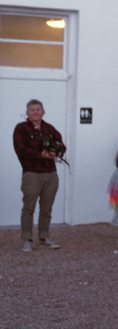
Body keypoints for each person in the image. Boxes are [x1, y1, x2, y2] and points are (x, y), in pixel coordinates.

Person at [13, 99, 65, 252]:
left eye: (38, 109)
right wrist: (43, 155)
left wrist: (57, 152)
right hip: (31, 173)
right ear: (27, 113)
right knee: (29, 207)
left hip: (51, 173)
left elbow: (61, 144)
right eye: (32, 110)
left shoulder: (49, 128)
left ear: (43, 112)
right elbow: (21, 150)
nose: (35, 112)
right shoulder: (21, 129)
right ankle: (27, 240)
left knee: (46, 208)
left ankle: (44, 237)